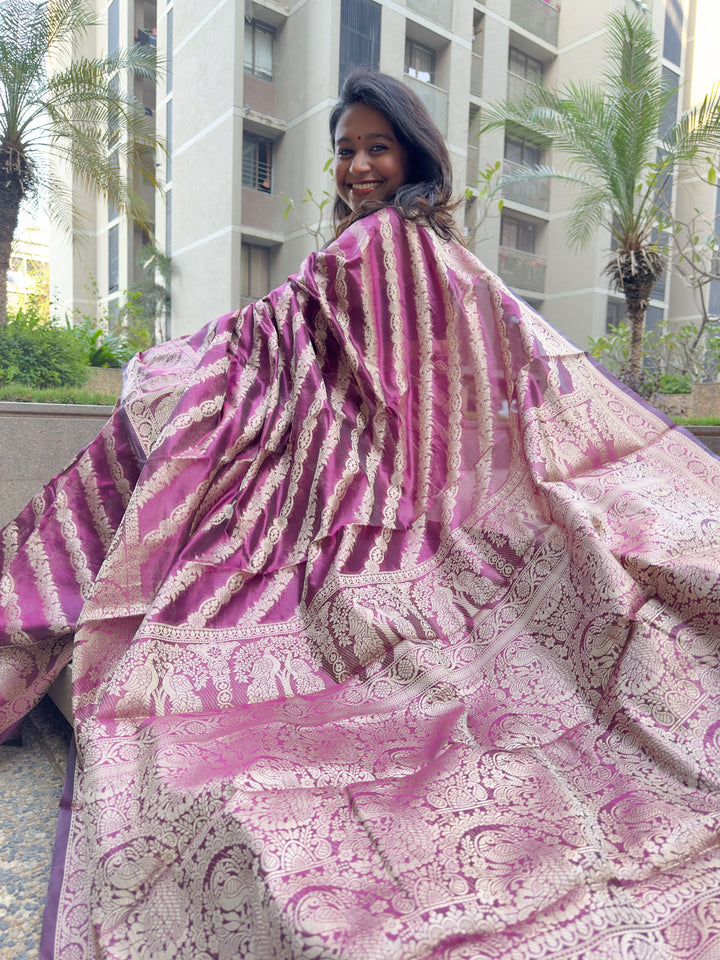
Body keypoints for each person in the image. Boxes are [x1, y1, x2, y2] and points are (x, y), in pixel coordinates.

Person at [2, 69, 719, 960]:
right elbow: (314, 347)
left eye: (378, 147)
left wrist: (173, 369)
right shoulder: (402, 243)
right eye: (346, 150)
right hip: (378, 484)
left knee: (137, 454)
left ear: (413, 153)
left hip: (395, 496)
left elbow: (294, 330)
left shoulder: (393, 244)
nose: (358, 166)